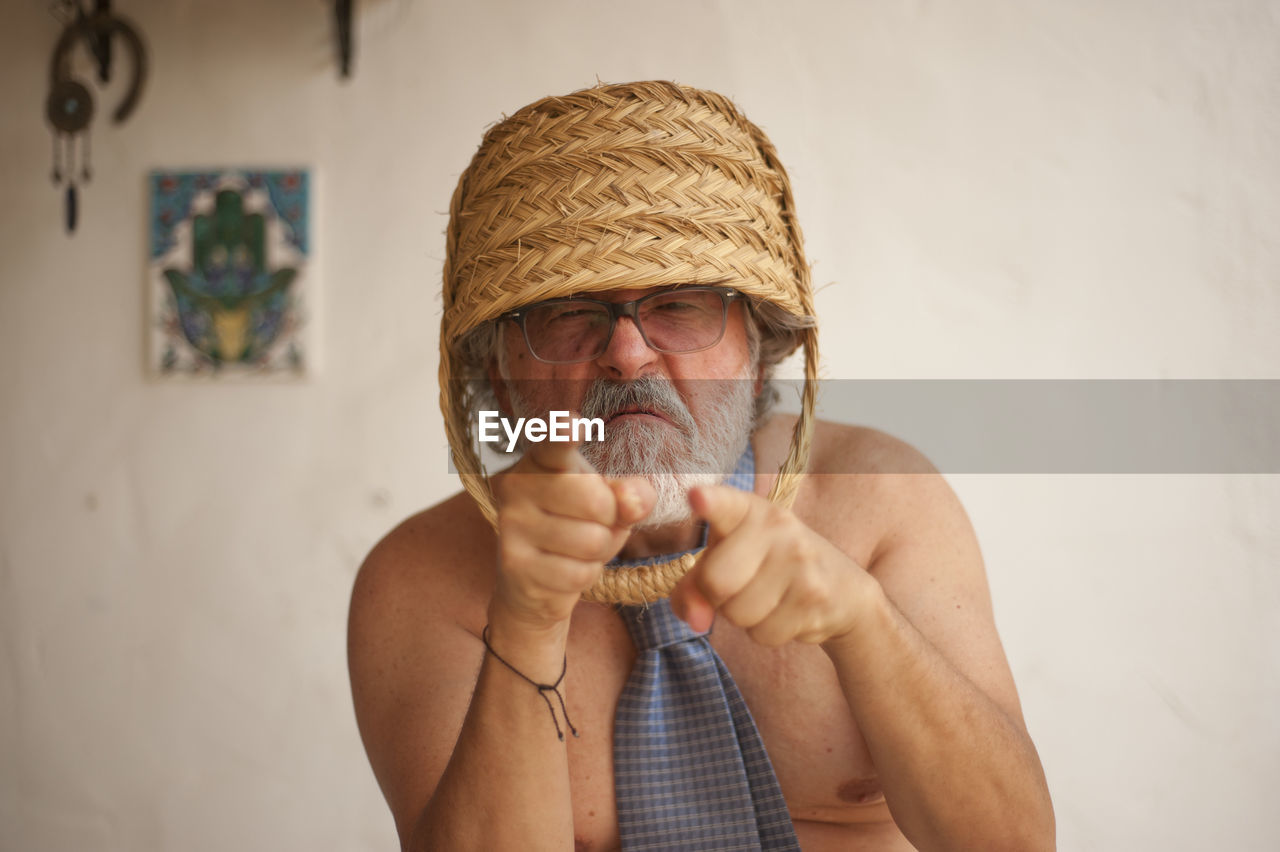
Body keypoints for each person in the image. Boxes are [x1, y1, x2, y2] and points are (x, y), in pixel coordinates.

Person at [348, 80, 1054, 851]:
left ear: (759, 347)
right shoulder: (419, 579)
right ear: (499, 372)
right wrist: (525, 624)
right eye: (567, 313)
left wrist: (864, 622)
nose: (627, 353)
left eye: (680, 305)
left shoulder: (882, 500)